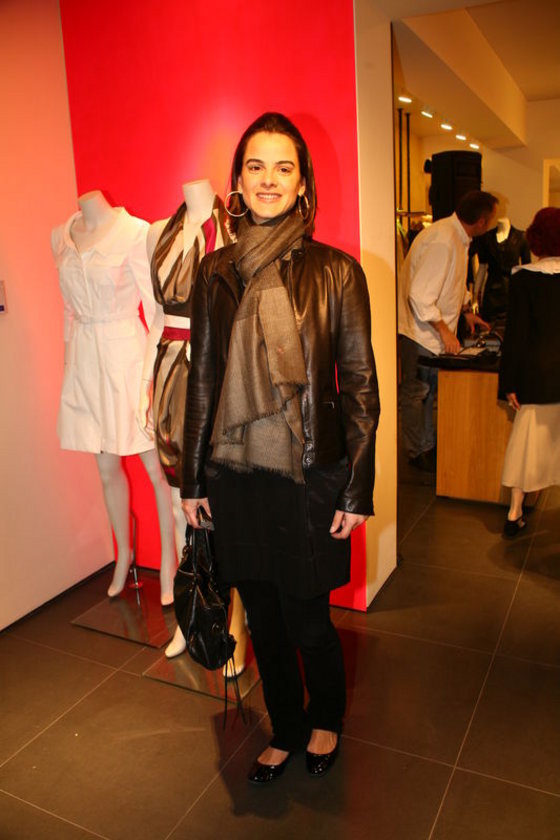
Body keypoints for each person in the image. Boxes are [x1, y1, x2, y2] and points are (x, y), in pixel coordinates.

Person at [180, 113, 379, 783]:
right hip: (234, 476)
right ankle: (287, 728)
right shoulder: (215, 272)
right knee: (263, 619)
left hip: (309, 474)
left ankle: (326, 720)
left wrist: (356, 488)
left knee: (309, 619)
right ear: (238, 181)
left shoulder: (337, 272)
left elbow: (360, 386)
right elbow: (203, 380)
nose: (269, 179)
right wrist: (191, 481)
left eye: (283, 167)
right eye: (256, 166)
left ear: (302, 184)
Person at [138, 179, 249, 668]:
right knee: (176, 501)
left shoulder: (236, 229)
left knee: (225, 501)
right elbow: (157, 317)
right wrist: (146, 384)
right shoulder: (157, 233)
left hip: (219, 370)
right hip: (169, 373)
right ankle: (192, 615)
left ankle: (235, 624)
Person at [52, 190, 176, 604]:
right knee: (106, 469)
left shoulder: (135, 232)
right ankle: (124, 554)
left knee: (156, 471)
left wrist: (150, 378)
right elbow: (69, 310)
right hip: (85, 360)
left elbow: (155, 310)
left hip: (126, 359)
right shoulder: (60, 237)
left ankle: (171, 563)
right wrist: (69, 366)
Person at [398, 190, 497, 471]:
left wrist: (466, 312)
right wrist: (444, 330)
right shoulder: (444, 240)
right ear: (481, 221)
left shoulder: (455, 237)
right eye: (491, 218)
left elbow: (450, 283)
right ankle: (418, 452)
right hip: (420, 333)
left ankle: (427, 447)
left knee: (427, 393)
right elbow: (420, 296)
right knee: (417, 394)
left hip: (428, 332)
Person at [499, 207, 560, 537]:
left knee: (526, 447)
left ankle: (514, 512)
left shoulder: (523, 278)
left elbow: (516, 336)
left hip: (537, 377)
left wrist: (509, 383)